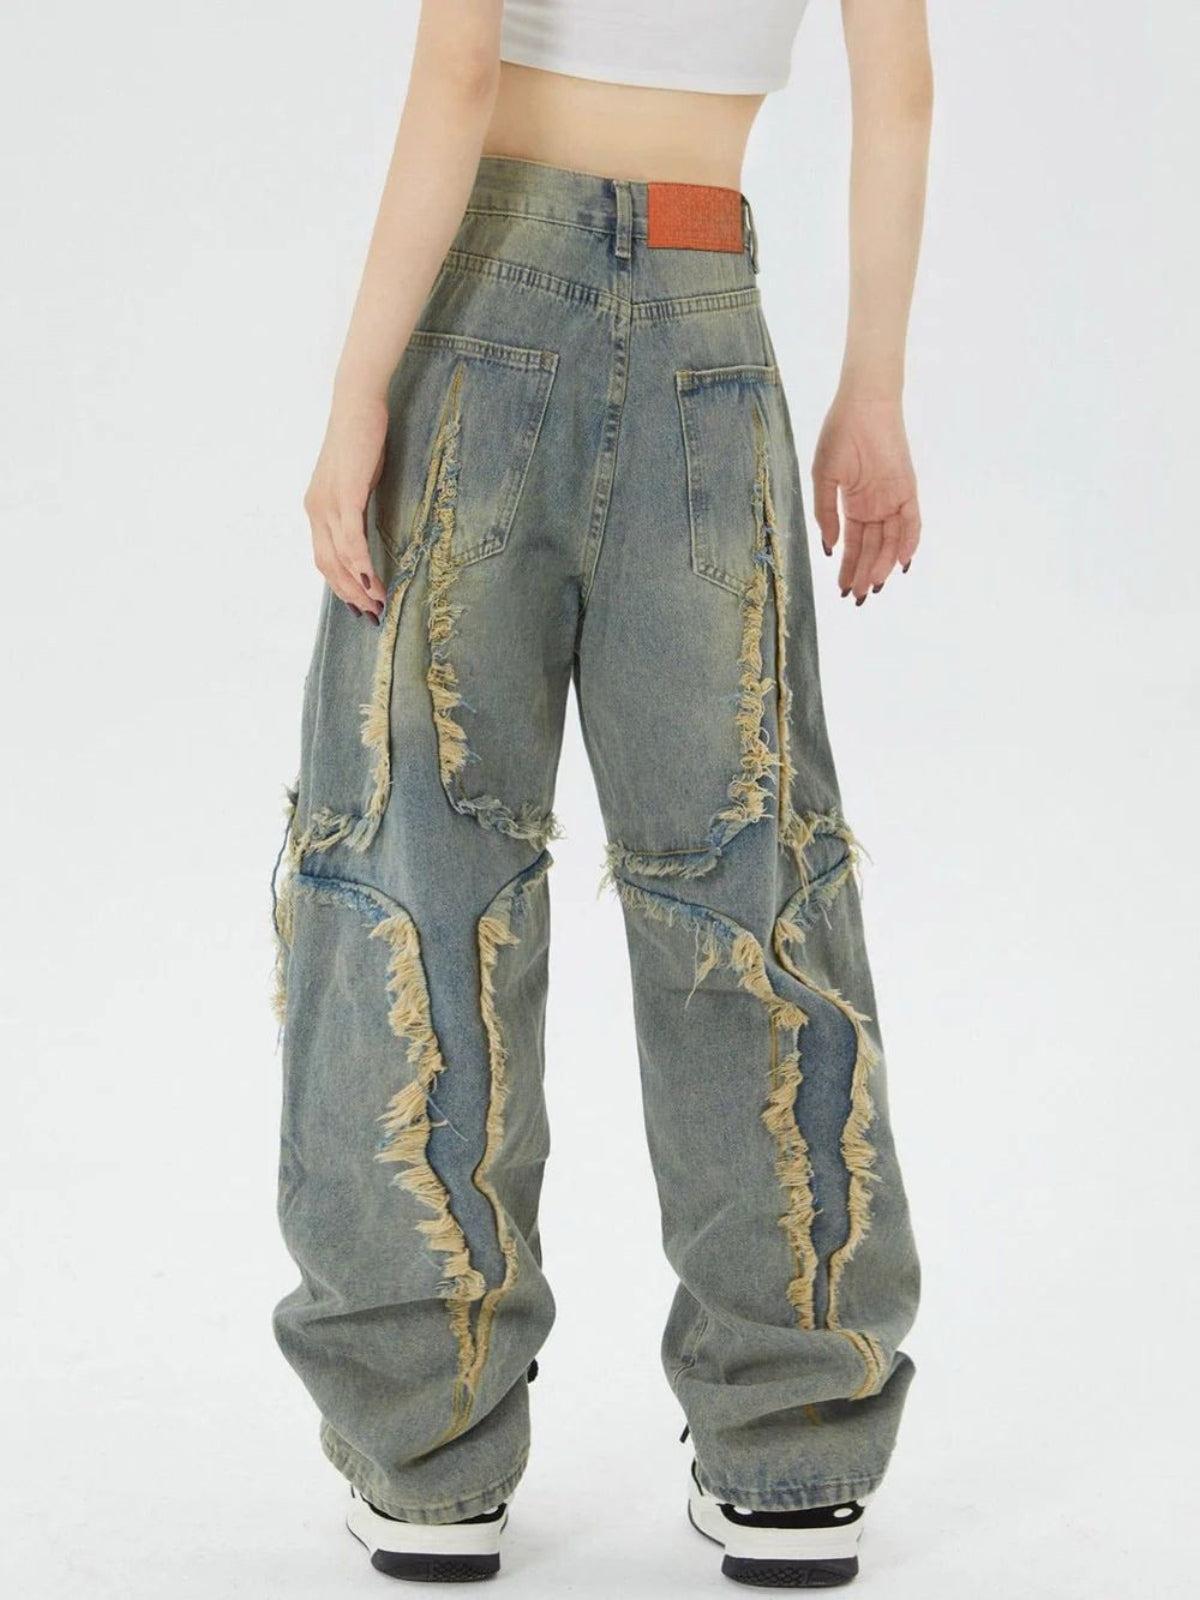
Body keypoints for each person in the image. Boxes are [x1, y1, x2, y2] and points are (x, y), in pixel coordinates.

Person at [271, 0, 931, 1585]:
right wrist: (874, 392)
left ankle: (430, 1458)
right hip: (709, 317)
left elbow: (461, 73)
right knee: (745, 880)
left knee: (415, 867)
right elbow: (898, 92)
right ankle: (790, 1452)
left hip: (483, 306)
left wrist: (358, 391)